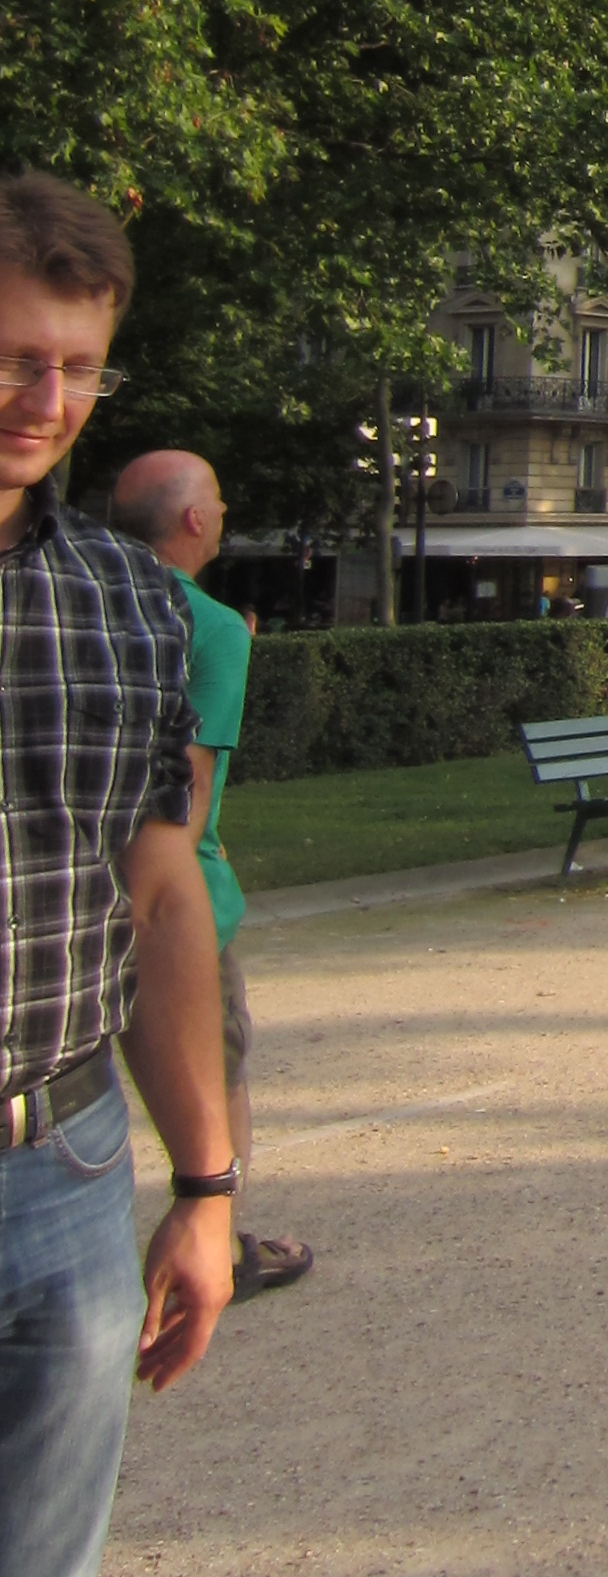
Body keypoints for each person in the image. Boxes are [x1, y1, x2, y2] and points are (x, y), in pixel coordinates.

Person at [0, 174, 234, 1577]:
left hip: (60, 1161)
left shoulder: (122, 606)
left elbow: (163, 901)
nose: (41, 400)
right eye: (15, 358)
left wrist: (206, 1184)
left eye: (73, 368)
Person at [104, 457, 311, 1299]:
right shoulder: (213, 626)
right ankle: (219, 1243)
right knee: (215, 1072)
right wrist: (172, 903)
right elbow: (187, 785)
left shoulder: (80, 598)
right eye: (218, 501)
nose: (223, 513)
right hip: (174, 894)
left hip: (62, 887)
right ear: (193, 520)